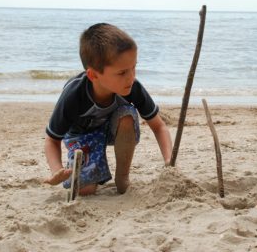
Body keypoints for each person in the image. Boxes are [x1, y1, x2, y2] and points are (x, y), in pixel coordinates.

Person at [43, 23, 172, 195]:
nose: (131, 77)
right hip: (82, 136)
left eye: (134, 68)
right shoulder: (74, 95)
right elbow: (52, 140)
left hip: (114, 128)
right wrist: (57, 171)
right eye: (122, 73)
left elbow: (159, 126)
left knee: (127, 114)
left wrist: (169, 161)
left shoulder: (132, 87)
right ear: (93, 75)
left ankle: (122, 177)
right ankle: (86, 173)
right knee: (86, 190)